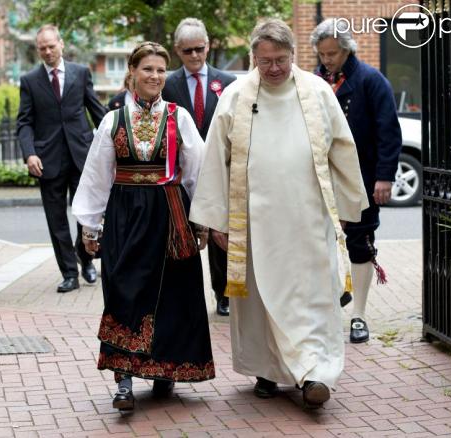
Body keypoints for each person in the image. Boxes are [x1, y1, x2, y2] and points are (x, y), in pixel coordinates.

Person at [189, 19, 368, 408]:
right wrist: (216, 219)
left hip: (308, 218)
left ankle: (316, 374)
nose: (273, 68)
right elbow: (215, 159)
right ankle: (267, 371)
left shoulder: (318, 92)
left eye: (280, 60)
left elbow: (342, 147)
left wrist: (350, 205)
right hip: (254, 222)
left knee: (312, 297)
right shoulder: (236, 96)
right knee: (261, 300)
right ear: (254, 57)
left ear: (293, 56)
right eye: (265, 60)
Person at [72, 42, 214, 413]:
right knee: (123, 291)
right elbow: (96, 176)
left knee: (173, 294)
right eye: (147, 69)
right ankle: (123, 379)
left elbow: (197, 170)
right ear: (132, 73)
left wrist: (200, 221)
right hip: (125, 216)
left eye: (160, 70)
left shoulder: (178, 117)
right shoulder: (113, 121)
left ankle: (165, 370)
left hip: (171, 216)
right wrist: (90, 225)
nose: (154, 77)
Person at [311, 19, 402, 344]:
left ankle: (359, 316)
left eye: (332, 53)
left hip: (361, 178)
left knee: (360, 245)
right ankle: (335, 296)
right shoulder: (312, 81)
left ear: (347, 49)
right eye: (322, 54)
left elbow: (388, 132)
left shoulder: (371, 80)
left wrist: (384, 177)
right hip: (319, 180)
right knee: (319, 243)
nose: (327, 60)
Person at [17, 24, 107, 293]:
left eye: (51, 46)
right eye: (42, 48)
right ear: (38, 50)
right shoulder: (30, 80)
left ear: (61, 44)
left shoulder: (81, 73)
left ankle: (87, 259)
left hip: (82, 156)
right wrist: (29, 153)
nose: (47, 51)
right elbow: (24, 123)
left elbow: (96, 111)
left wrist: (116, 142)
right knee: (56, 220)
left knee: (86, 216)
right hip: (47, 160)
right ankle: (69, 273)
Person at [162, 17, 237, 316]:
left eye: (199, 49)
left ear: (207, 46)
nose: (195, 56)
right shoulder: (168, 84)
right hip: (182, 172)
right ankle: (184, 296)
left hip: (220, 169)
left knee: (219, 232)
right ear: (178, 51)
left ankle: (223, 292)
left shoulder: (229, 83)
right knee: (183, 233)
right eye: (187, 51)